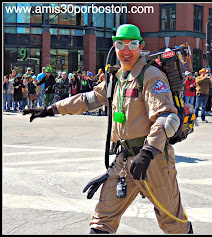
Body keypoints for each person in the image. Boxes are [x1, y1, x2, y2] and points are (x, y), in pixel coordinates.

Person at [22, 23, 193, 235]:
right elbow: (87, 99)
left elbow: (167, 117)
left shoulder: (151, 75)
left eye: (132, 44)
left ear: (141, 46)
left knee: (173, 222)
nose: (126, 50)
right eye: (121, 44)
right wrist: (51, 109)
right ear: (114, 46)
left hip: (153, 160)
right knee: (102, 221)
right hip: (124, 161)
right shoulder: (117, 78)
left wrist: (148, 152)